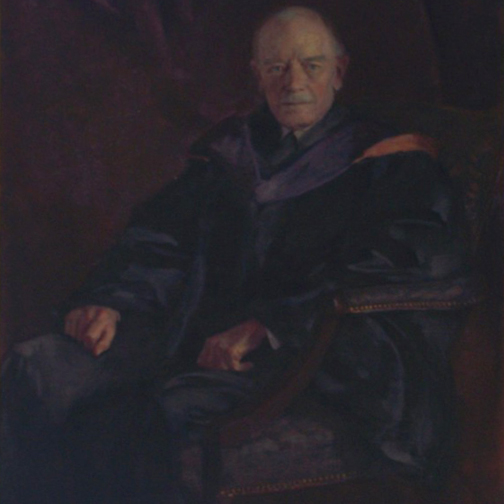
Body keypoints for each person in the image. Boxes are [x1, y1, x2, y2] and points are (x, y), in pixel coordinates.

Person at [1, 6, 470, 503]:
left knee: (144, 418)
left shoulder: (392, 165)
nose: (293, 82)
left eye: (311, 65)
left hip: (304, 363)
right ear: (257, 75)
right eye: (276, 67)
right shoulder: (230, 156)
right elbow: (161, 239)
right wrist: (112, 300)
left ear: (339, 71)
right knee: (36, 368)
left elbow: (403, 262)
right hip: (183, 335)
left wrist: (269, 325)